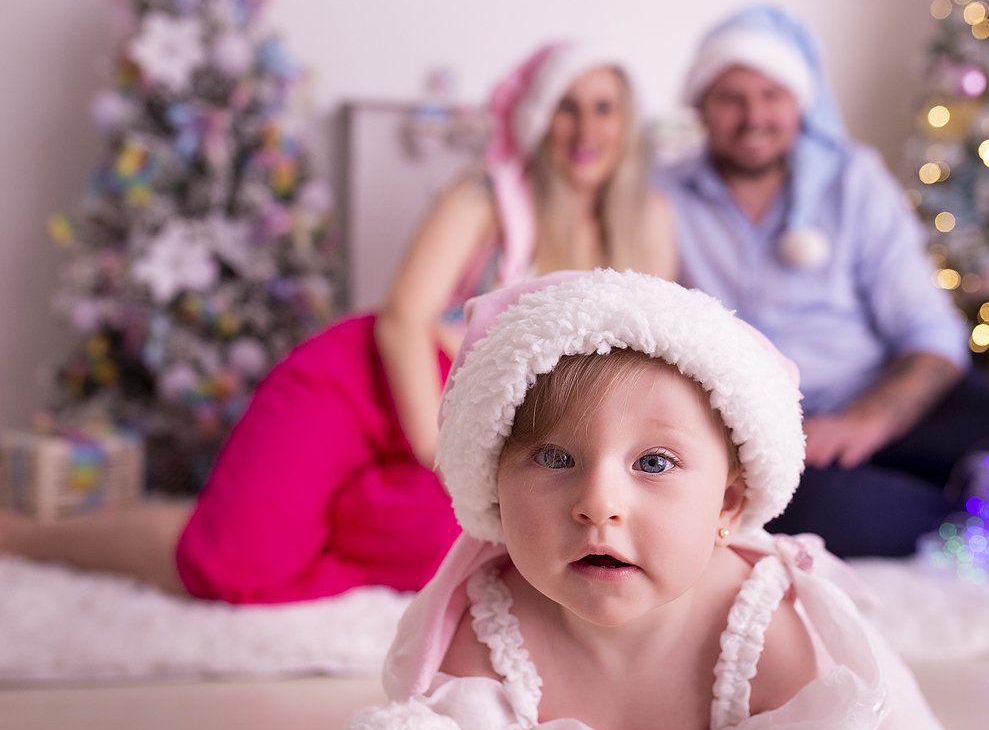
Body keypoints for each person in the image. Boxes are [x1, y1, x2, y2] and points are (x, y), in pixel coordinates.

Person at [0, 43, 676, 602]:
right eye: (567, 107)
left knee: (468, 550)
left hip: (491, 425)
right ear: (536, 116)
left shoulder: (647, 222)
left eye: (603, 109)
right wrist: (445, 453)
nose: (586, 130)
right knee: (228, 566)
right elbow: (404, 320)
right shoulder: (488, 193)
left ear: (626, 121)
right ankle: (27, 538)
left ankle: (278, 521)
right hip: (377, 389)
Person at [340, 269, 965, 730]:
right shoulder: (487, 633)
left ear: (728, 503)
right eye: (555, 456)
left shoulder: (759, 632)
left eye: (656, 463)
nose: (599, 502)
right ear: (497, 492)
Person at [656, 5, 989, 567]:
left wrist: (864, 421)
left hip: (887, 393)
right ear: (699, 105)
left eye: (771, 95)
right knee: (812, 513)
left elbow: (928, 329)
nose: (753, 117)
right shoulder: (659, 199)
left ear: (800, 100)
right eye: (731, 98)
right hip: (775, 430)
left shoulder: (851, 180)